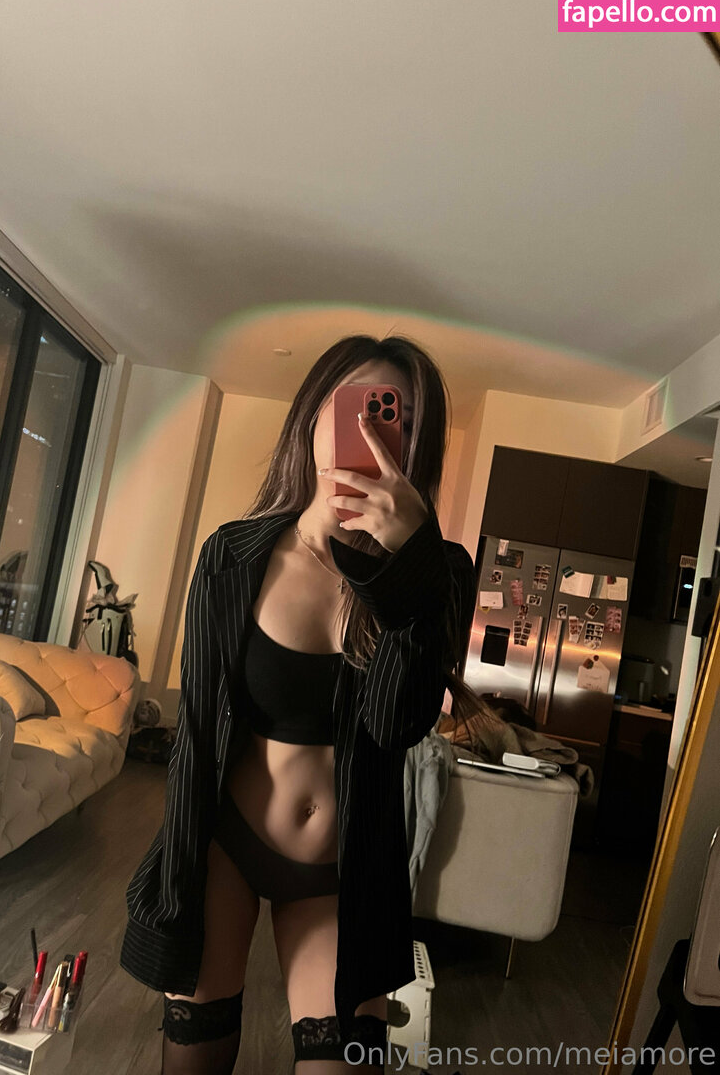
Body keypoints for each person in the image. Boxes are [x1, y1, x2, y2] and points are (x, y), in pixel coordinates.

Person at [120, 334, 479, 1074]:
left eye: (400, 419)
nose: (376, 429)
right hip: (227, 844)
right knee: (192, 1058)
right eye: (360, 407)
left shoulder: (438, 571)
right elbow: (196, 733)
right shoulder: (233, 555)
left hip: (341, 871)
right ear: (315, 413)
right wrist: (172, 883)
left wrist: (405, 575)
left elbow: (398, 724)